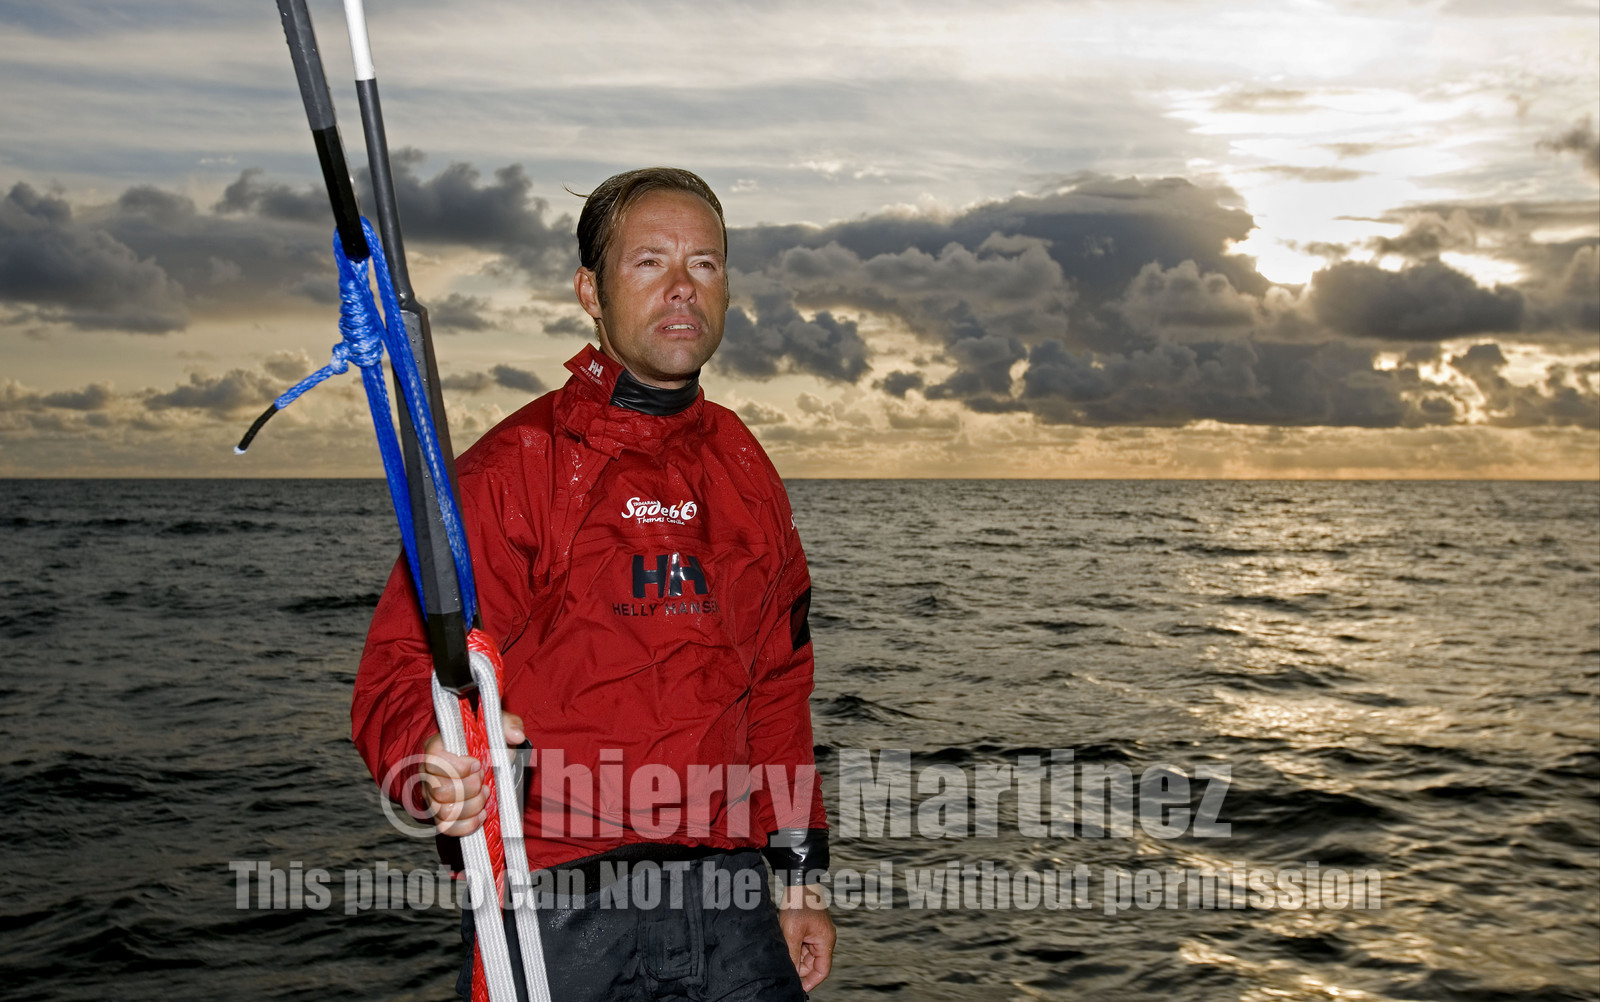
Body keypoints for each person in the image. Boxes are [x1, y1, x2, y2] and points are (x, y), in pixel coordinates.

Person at [353, 167, 834, 1001]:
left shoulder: (746, 467)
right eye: (650, 263)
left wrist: (799, 881)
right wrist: (430, 757)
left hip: (731, 903)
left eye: (706, 265)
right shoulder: (514, 470)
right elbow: (401, 669)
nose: (683, 288)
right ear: (591, 292)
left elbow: (778, 690)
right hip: (558, 907)